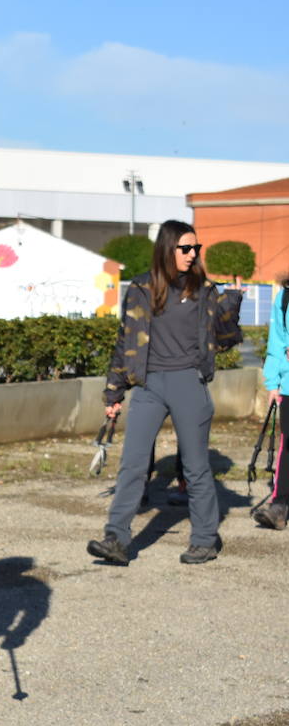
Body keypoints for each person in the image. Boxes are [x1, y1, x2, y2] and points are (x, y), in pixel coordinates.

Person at [86, 220, 242, 565]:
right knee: (133, 464)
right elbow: (124, 343)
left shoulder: (204, 290)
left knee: (197, 468)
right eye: (185, 248)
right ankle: (116, 539)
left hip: (188, 382)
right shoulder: (141, 288)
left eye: (195, 249)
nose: (192, 254)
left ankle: (204, 539)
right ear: (167, 248)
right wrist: (113, 394)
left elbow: (229, 338)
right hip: (149, 386)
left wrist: (233, 302)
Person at [252, 273, 289, 530]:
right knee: (287, 446)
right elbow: (277, 341)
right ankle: (280, 505)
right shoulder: (284, 297)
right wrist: (273, 383)